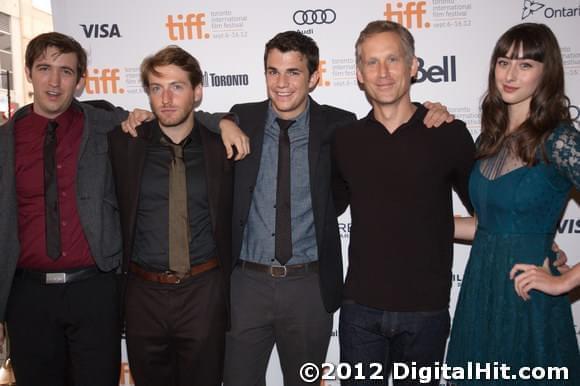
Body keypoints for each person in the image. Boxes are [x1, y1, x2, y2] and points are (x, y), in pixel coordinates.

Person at [0, 32, 245, 386]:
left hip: (104, 291)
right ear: (27, 72)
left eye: (66, 71)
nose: (54, 81)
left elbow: (186, 116)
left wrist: (223, 120)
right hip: (35, 294)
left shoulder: (107, 126)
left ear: (80, 80)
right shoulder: (9, 141)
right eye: (44, 68)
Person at [332, 20, 475, 385]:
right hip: (359, 310)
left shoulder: (449, 134)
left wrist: (538, 239)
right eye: (372, 62)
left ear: (413, 66)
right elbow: (324, 207)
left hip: (425, 313)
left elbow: (490, 211)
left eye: (393, 60)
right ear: (359, 74)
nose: (383, 73)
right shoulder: (345, 140)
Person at [446, 23, 580, 385]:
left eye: (525, 65)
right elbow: (483, 225)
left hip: (528, 293)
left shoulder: (560, 140)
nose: (509, 74)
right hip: (481, 291)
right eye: (504, 62)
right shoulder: (488, 139)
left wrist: (565, 280)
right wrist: (419, 219)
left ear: (546, 71)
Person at [108, 45, 232, 386]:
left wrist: (224, 121)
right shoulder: (125, 143)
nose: (166, 98)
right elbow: (74, 110)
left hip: (203, 291)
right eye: (156, 88)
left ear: (197, 92)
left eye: (177, 86)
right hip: (142, 294)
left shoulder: (222, 147)